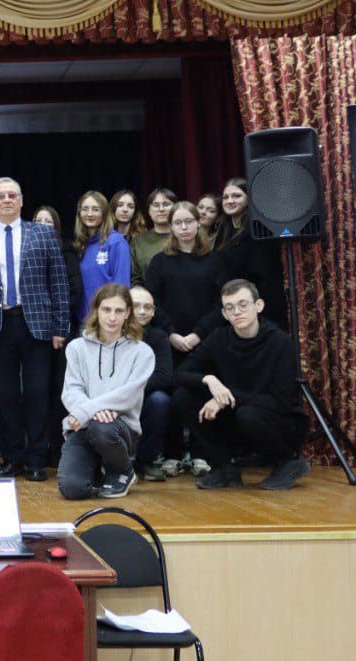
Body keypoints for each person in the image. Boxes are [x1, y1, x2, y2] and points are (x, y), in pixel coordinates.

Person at [0, 177, 69, 482]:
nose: (7, 200)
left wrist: (61, 326)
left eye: (13, 195)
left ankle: (36, 458)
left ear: (21, 200)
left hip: (36, 324)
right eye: (1, 196)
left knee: (37, 392)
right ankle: (11, 457)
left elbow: (58, 282)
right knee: (6, 396)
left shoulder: (43, 234)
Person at [171, 279, 310, 490]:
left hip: (277, 421)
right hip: (237, 414)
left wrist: (225, 398)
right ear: (224, 314)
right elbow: (179, 374)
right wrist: (209, 380)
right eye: (230, 307)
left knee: (249, 415)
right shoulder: (219, 337)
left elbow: (281, 401)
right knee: (183, 397)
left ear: (258, 305)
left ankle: (288, 462)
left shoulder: (280, 341)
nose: (237, 312)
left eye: (243, 304)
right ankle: (225, 466)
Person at [57, 283, 153, 500]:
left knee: (102, 428)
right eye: (106, 309)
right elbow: (71, 391)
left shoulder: (143, 352)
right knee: (73, 489)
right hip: (83, 427)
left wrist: (87, 411)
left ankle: (123, 471)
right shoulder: (76, 347)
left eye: (119, 311)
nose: (112, 317)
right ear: (96, 310)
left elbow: (128, 396)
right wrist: (94, 412)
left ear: (128, 313)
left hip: (117, 429)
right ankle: (97, 470)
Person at [144, 202, 230, 363]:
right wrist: (170, 333)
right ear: (171, 227)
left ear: (198, 222)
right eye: (177, 223)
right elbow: (151, 301)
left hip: (207, 340)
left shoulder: (214, 260)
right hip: (169, 342)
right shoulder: (159, 262)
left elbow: (222, 302)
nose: (184, 227)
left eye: (189, 221)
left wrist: (199, 333)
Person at [33, 204, 85, 469]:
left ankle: (59, 448)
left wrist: (57, 324)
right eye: (38, 221)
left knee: (60, 390)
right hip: (33, 333)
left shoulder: (66, 250)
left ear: (56, 226)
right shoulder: (27, 251)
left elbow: (73, 291)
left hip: (61, 332)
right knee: (37, 391)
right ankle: (39, 448)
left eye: (48, 221)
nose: (43, 225)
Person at [214, 178, 286, 330]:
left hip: (257, 311)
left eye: (237, 196)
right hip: (231, 306)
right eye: (226, 197)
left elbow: (265, 277)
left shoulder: (258, 229)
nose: (230, 201)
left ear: (248, 199)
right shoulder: (223, 230)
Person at [130, 285, 174, 482]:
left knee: (161, 400)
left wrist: (130, 388)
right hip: (111, 396)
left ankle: (146, 460)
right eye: (136, 306)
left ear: (154, 311)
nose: (142, 311)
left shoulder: (159, 336)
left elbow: (164, 377)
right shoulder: (111, 333)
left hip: (143, 396)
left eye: (147, 307)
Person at [72, 191, 131, 326]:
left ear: (104, 213)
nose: (89, 214)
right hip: (84, 322)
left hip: (108, 321)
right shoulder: (80, 245)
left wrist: (113, 318)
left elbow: (122, 286)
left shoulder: (116, 242)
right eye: (85, 209)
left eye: (95, 209)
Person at [130, 188, 176, 284]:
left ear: (175, 208)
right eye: (156, 205)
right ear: (149, 211)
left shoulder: (185, 237)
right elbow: (134, 278)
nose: (161, 209)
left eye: (166, 204)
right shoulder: (138, 242)